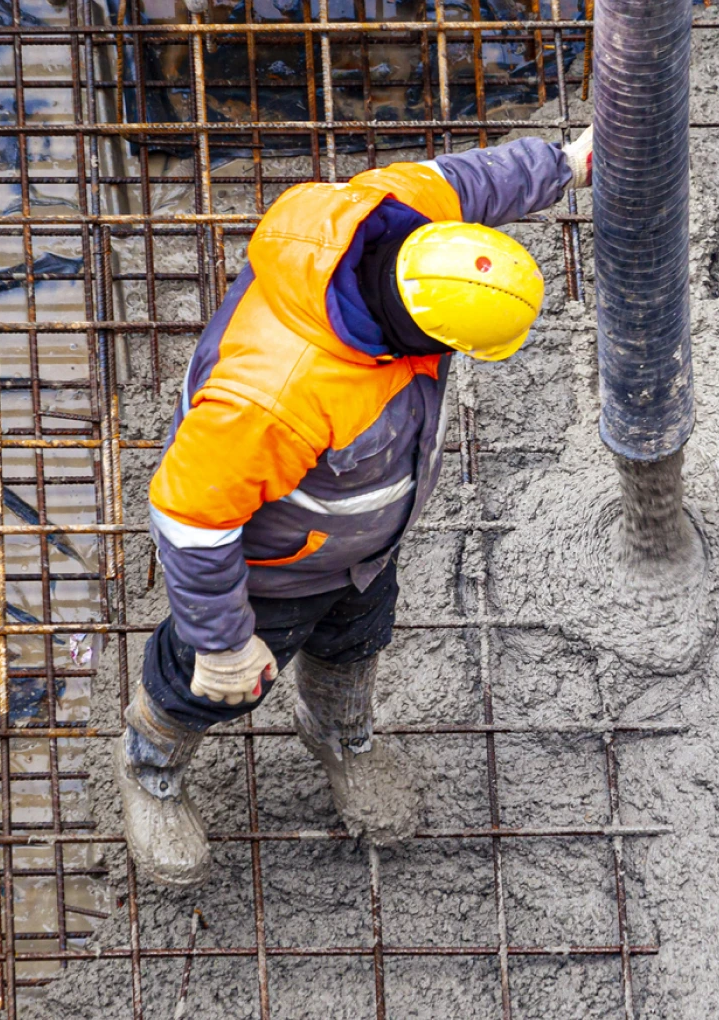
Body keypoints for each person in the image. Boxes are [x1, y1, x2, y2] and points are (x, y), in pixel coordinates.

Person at [120, 129, 593, 885]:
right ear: (421, 331)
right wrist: (221, 641)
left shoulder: (404, 218)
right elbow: (188, 516)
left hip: (360, 553)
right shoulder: (277, 397)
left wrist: (566, 163)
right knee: (197, 687)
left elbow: (468, 179)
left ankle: (341, 736)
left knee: (355, 646)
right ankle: (150, 769)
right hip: (270, 571)